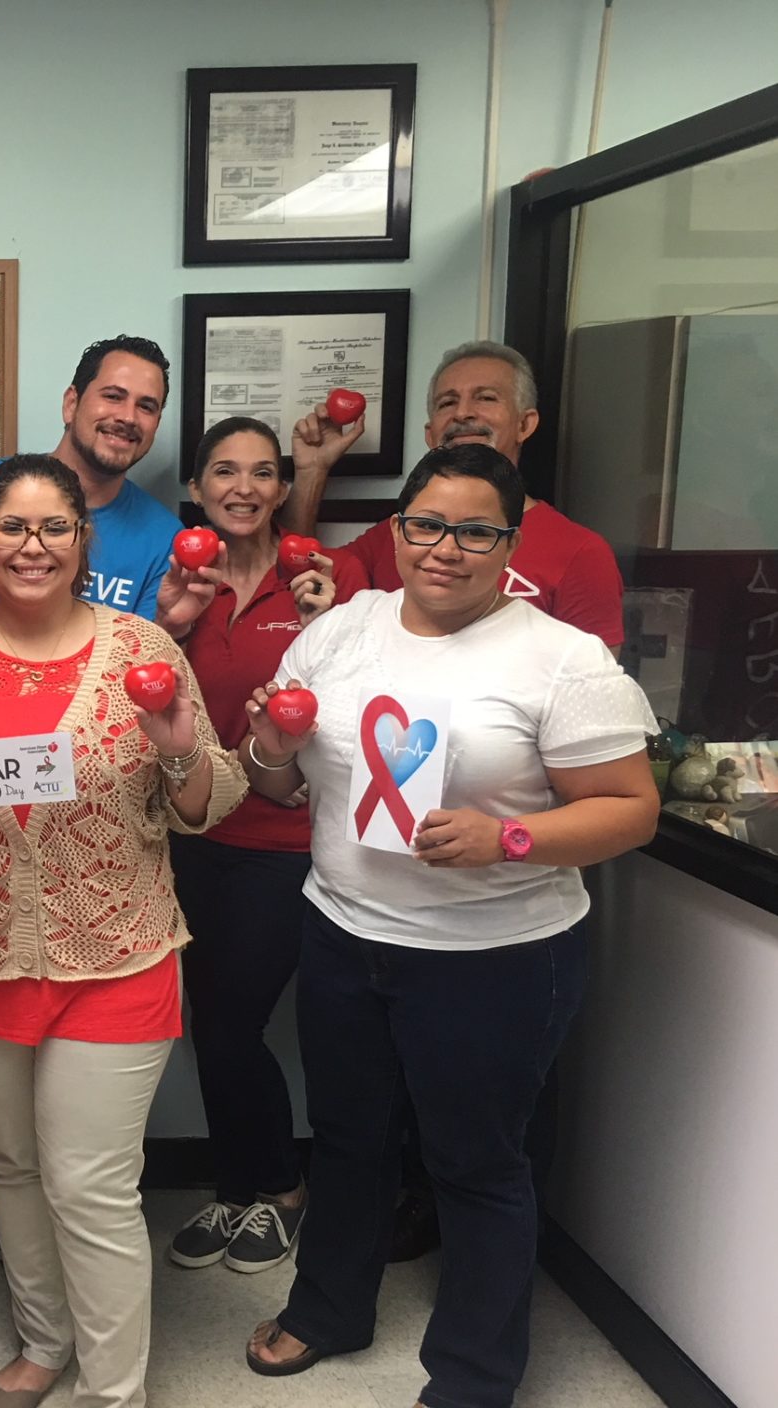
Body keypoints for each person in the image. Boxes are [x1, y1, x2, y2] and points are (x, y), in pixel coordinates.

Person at [236, 444, 659, 1407]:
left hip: (494, 956)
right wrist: (271, 746)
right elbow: (279, 783)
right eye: (426, 524)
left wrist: (506, 837)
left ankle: (473, 1375)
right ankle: (329, 1309)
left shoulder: (560, 658)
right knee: (346, 1137)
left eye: (475, 531)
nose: (444, 548)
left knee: (475, 1163)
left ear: (509, 542)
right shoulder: (342, 632)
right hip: (344, 932)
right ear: (397, 528)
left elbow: (631, 810)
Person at [0, 455, 247, 1408]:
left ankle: (113, 1393)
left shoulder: (142, 650)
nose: (32, 547)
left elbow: (208, 804)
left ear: (83, 541)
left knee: (90, 1185)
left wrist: (178, 752)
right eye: (11, 528)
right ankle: (45, 1340)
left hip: (116, 951)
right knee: (13, 1162)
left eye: (54, 528)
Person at [154, 418, 364, 1278]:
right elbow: (144, 699)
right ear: (197, 488)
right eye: (223, 471)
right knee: (209, 1025)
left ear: (282, 488)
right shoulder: (177, 577)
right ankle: (236, 1188)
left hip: (285, 844)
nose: (242, 488)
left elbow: (366, 705)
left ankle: (280, 1187)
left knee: (231, 1023)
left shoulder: (329, 579)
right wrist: (169, 623)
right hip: (190, 835)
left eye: (262, 473)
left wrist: (329, 626)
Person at [281, 340, 623, 649]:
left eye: (485, 397)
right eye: (448, 402)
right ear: (431, 434)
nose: (462, 413)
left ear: (525, 424)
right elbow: (301, 569)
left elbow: (591, 685)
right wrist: (312, 471)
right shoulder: (400, 532)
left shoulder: (580, 552)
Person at [0, 336, 184, 619]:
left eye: (146, 406)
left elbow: (147, 643)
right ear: (71, 404)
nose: (128, 417)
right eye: (113, 396)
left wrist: (172, 627)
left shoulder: (163, 539)